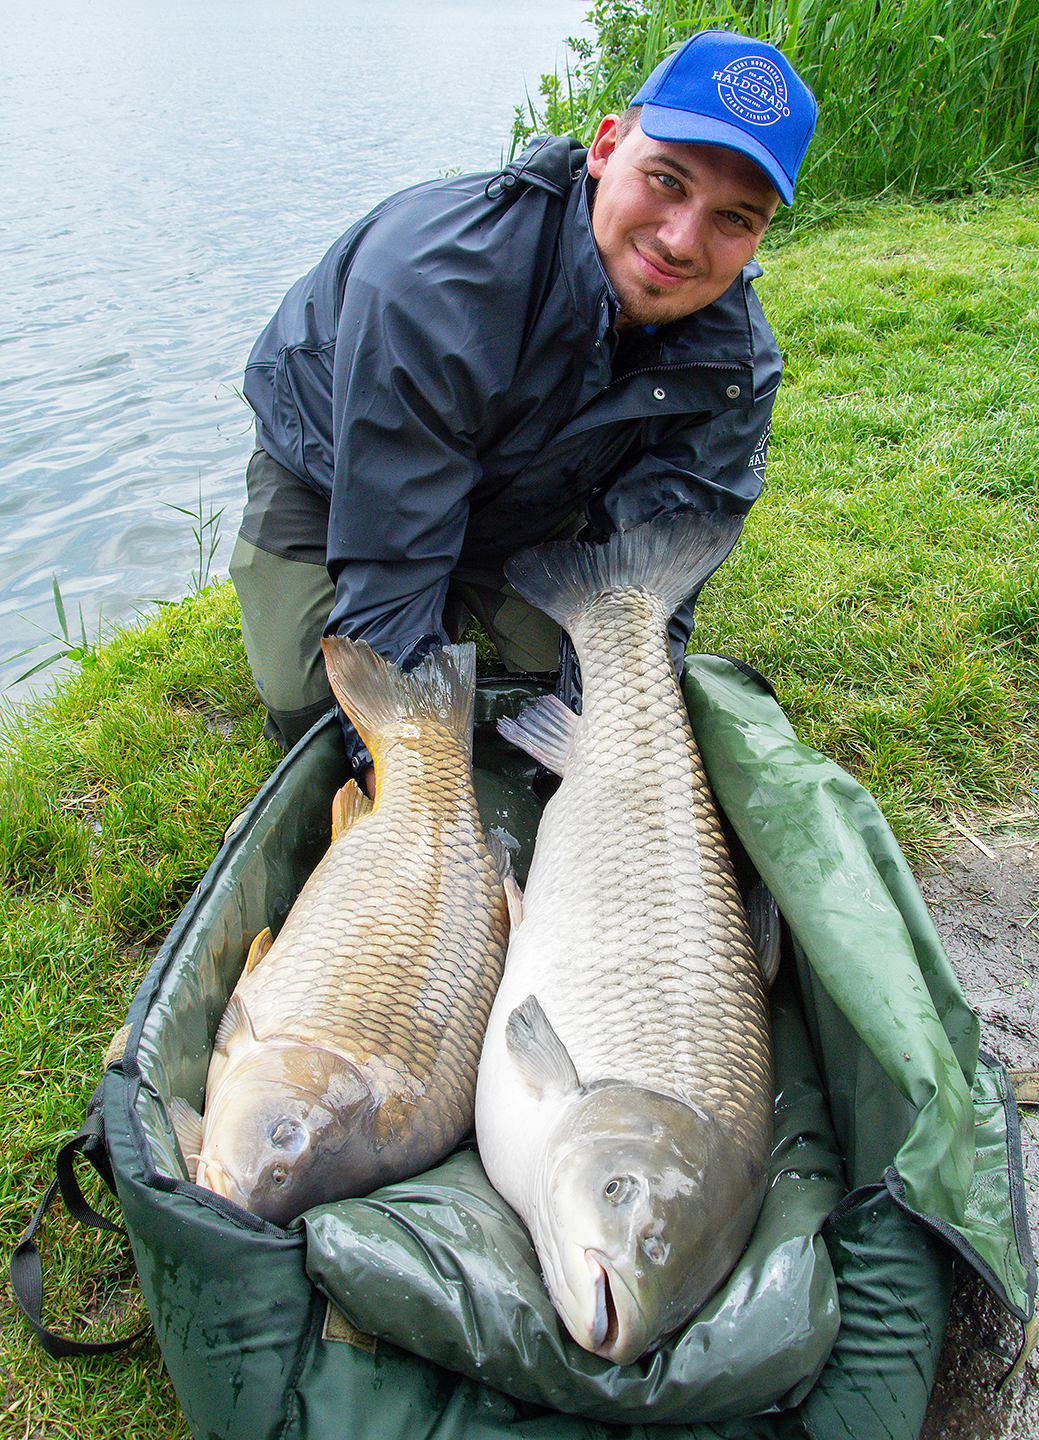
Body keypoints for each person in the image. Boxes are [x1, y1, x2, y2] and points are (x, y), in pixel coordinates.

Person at [229, 30, 817, 788]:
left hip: (530, 499)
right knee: (322, 706)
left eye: (733, 218)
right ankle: (422, 613)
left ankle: (471, 594)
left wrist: (591, 765)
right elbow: (391, 553)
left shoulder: (733, 362)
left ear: (761, 231)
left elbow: (645, 575)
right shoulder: (436, 284)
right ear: (606, 147)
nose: (680, 241)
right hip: (336, 477)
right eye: (666, 180)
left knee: (594, 707)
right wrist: (421, 796)